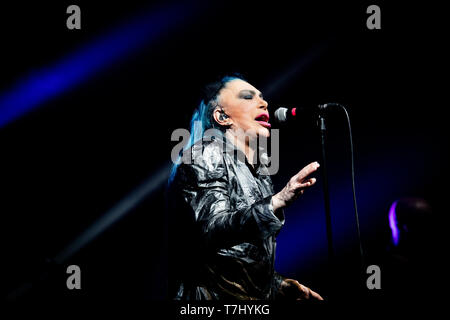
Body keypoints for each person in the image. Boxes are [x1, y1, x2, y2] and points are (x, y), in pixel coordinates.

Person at [167, 74, 323, 300]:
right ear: (221, 116)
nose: (264, 103)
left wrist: (277, 285)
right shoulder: (205, 153)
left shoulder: (258, 170)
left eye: (262, 97)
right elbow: (213, 229)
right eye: (248, 97)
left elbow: (238, 255)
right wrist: (275, 202)